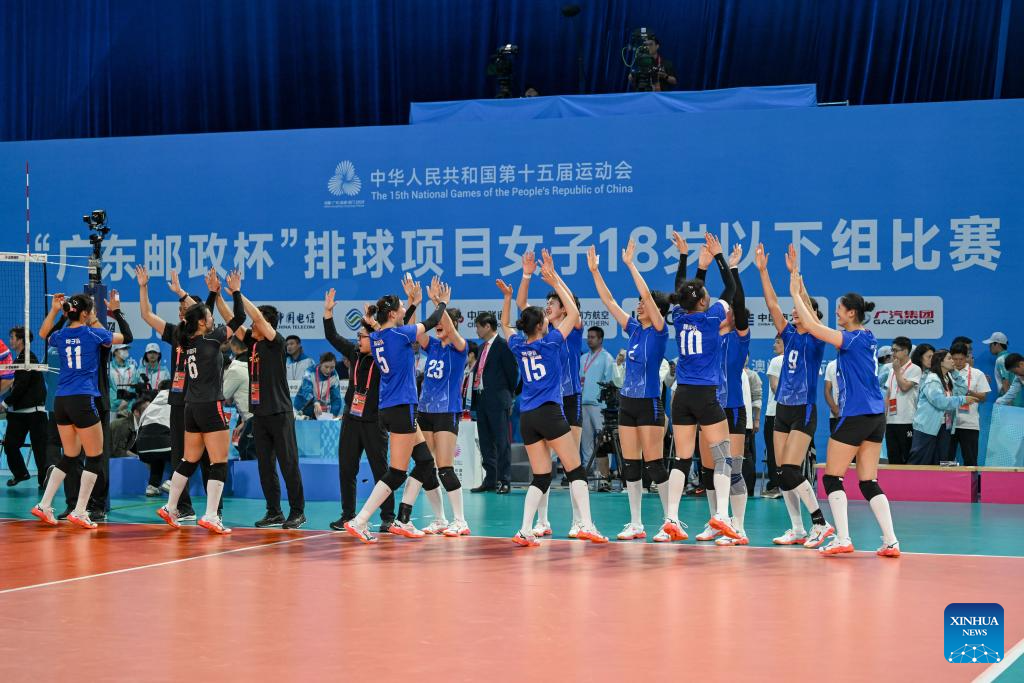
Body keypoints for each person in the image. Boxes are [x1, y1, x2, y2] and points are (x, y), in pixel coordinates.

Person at [498, 251, 607, 546]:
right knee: (575, 468)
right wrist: (552, 279)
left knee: (541, 475)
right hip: (550, 409)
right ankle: (585, 524)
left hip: (529, 414)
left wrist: (509, 297)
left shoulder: (520, 344)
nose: (547, 310)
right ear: (541, 324)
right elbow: (571, 314)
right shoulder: (551, 341)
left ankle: (526, 528)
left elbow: (507, 325)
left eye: (551, 304)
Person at [789, 269, 900, 557]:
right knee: (868, 481)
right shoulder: (867, 335)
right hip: (875, 417)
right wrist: (801, 285)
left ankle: (842, 538)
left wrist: (794, 293)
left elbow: (811, 326)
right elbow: (815, 323)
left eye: (839, 309)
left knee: (832, 478)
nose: (836, 313)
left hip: (857, 415)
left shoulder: (853, 338)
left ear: (851, 313)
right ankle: (891, 541)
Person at [342, 276, 454, 543]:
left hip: (391, 408)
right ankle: (360, 520)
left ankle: (403, 519)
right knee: (397, 472)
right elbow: (430, 322)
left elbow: (400, 328)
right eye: (401, 306)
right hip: (402, 406)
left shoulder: (378, 336)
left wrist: (413, 302)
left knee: (425, 461)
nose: (405, 308)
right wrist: (441, 303)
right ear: (392, 314)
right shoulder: (397, 334)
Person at [587, 240, 669, 541]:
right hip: (628, 404)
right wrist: (595, 272)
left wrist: (631, 264)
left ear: (657, 309)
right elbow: (609, 301)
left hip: (649, 404)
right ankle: (636, 523)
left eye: (644, 303)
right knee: (630, 465)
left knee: (654, 465)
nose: (639, 304)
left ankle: (670, 520)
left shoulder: (659, 332)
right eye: (638, 302)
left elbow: (646, 294)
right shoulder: (634, 329)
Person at [754, 244, 833, 548]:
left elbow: (807, 309)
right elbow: (773, 304)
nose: (794, 312)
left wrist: (796, 276)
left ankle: (820, 523)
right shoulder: (788, 336)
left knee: (790, 469)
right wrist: (763, 271)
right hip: (782, 409)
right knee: (781, 472)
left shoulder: (817, 339)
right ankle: (798, 528)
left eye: (800, 310)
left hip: (804, 410)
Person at [156, 269, 246, 534]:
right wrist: (236, 291)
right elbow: (240, 318)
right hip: (210, 405)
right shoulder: (212, 337)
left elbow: (199, 314)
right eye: (209, 316)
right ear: (205, 323)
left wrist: (210, 294)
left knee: (188, 460)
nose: (212, 317)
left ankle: (170, 507)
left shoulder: (188, 340)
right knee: (219, 462)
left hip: (191, 408)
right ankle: (211, 515)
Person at [664, 232, 739, 542]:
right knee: (722, 456)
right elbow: (731, 289)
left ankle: (671, 518)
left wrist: (692, 262)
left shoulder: (680, 316)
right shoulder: (711, 318)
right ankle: (721, 515)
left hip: (681, 396)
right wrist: (720, 258)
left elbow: (683, 291)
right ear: (704, 301)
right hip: (706, 395)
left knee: (682, 458)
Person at [215, 280, 307, 530]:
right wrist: (218, 294)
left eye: (256, 323)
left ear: (266, 325)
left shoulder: (276, 342)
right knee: (265, 466)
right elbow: (231, 318)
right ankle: (274, 511)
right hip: (259, 414)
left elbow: (255, 316)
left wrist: (238, 292)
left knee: (288, 464)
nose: (251, 325)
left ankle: (298, 512)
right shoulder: (253, 344)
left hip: (280, 413)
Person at [33, 291, 127, 528]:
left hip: (61, 401)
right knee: (95, 456)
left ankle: (44, 504)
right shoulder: (93, 333)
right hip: (83, 400)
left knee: (70, 455)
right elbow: (127, 337)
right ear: (86, 313)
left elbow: (43, 333)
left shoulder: (61, 334)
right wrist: (115, 311)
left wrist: (55, 310)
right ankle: (80, 510)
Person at [322, 287, 403, 533]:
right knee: (347, 468)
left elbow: (391, 339)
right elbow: (332, 336)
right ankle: (348, 515)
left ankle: (388, 517)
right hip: (351, 418)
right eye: (357, 337)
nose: (358, 340)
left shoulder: (383, 355)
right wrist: (328, 312)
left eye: (362, 337)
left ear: (374, 338)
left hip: (374, 420)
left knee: (381, 470)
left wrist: (375, 326)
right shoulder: (354, 353)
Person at [516, 249, 585, 535]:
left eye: (552, 303)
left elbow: (574, 310)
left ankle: (578, 521)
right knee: (542, 466)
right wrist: (527, 275)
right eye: (546, 303)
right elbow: (522, 305)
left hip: (569, 400)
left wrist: (555, 278)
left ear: (563, 308)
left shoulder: (573, 329)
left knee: (571, 464)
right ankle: (542, 521)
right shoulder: (544, 334)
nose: (547, 306)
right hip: (546, 403)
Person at [415, 297, 471, 537]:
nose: (437, 325)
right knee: (426, 467)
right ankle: (439, 519)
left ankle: (460, 520)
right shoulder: (433, 346)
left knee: (445, 468)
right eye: (436, 322)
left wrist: (440, 303)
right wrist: (414, 302)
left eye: (442, 321)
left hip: (447, 411)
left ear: (453, 324)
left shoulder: (460, 348)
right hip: (425, 411)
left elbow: (450, 329)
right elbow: (415, 330)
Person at [470, 311, 518, 494]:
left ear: (488, 326)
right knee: (485, 442)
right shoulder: (481, 347)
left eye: (478, 327)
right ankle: (490, 479)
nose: (476, 330)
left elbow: (512, 373)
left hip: (498, 400)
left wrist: (508, 395)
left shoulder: (503, 345)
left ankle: (504, 480)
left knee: (501, 442)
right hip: (481, 399)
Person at [908, 349, 976, 466]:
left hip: (944, 426)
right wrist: (963, 400)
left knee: (941, 461)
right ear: (940, 362)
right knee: (920, 460)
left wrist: (955, 373)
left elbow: (963, 390)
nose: (953, 361)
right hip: (927, 427)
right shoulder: (932, 379)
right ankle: (910, 478)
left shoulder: (947, 378)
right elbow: (940, 402)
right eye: (949, 358)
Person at [2, 327, 48, 489]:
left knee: (40, 450)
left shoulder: (28, 358)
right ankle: (21, 473)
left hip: (34, 412)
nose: (10, 340)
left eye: (12, 337)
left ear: (21, 340)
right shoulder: (18, 359)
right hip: (19, 413)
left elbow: (21, 385)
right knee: (10, 445)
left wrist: (5, 403)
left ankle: (44, 482)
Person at [579, 326, 615, 489]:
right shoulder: (583, 358)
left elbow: (610, 384)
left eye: (593, 337)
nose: (589, 340)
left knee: (603, 442)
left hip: (600, 406)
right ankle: (588, 476)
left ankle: (604, 477)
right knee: (586, 442)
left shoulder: (607, 359)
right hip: (584, 404)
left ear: (600, 339)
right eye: (588, 337)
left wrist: (604, 404)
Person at [949, 342, 990, 466]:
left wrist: (969, 393)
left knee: (970, 459)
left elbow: (983, 397)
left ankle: (972, 480)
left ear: (966, 357)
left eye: (961, 359)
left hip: (969, 423)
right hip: (948, 423)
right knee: (947, 460)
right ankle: (948, 479)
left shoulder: (977, 373)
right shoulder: (946, 373)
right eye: (955, 359)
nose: (958, 362)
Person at [883, 336, 919, 465]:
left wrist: (897, 371)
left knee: (906, 457)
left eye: (895, 350)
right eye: (892, 350)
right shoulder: (892, 370)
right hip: (891, 421)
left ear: (905, 351)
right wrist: (884, 417)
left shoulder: (915, 369)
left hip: (907, 420)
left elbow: (904, 387)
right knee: (893, 457)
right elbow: (888, 394)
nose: (893, 353)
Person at [136, 381, 172, 495]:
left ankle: (153, 485)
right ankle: (172, 482)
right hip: (164, 445)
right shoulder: (175, 403)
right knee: (187, 454)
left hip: (142, 449)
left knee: (157, 455)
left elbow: (139, 427)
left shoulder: (150, 406)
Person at [762, 335, 785, 498]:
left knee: (773, 450)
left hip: (775, 413)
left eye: (778, 342)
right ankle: (789, 485)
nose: (773, 345)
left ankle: (775, 486)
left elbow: (774, 386)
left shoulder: (777, 361)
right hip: (793, 412)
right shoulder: (799, 360)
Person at [294, 352, 343, 419]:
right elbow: (306, 391)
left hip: (318, 412)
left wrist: (334, 414)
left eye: (332, 367)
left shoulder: (334, 376)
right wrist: (316, 402)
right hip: (302, 407)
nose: (328, 370)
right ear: (320, 364)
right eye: (326, 367)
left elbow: (336, 398)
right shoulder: (309, 372)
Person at [222, 336, 251, 422]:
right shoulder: (255, 363)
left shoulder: (236, 369)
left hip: (250, 417)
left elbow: (223, 396)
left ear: (234, 347)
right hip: (254, 415)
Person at [109, 343, 139, 414]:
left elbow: (134, 387)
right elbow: (109, 388)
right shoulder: (108, 367)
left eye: (126, 349)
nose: (126, 351)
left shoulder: (132, 368)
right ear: (115, 352)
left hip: (129, 407)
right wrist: (119, 404)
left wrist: (126, 401)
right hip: (113, 408)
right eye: (123, 349)